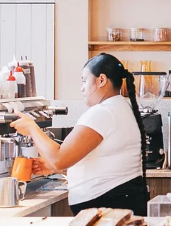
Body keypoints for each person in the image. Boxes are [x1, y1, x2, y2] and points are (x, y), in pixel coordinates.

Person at [12, 53, 149, 215]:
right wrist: (55, 168)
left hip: (108, 207)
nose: (81, 87)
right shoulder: (119, 108)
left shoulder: (103, 112)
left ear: (101, 80)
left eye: (84, 81)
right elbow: (107, 164)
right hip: (120, 202)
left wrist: (31, 127)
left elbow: (59, 159)